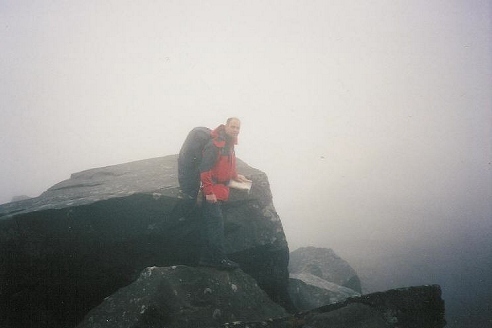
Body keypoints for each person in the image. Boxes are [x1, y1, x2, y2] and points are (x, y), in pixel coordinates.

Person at [198, 117, 251, 270]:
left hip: (221, 190)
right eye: (233, 127)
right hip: (212, 191)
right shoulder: (215, 145)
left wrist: (235, 175)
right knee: (216, 226)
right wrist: (208, 192)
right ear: (226, 126)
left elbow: (228, 163)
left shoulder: (229, 143)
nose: (236, 130)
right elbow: (204, 169)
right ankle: (219, 260)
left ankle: (206, 259)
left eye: (238, 128)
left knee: (212, 225)